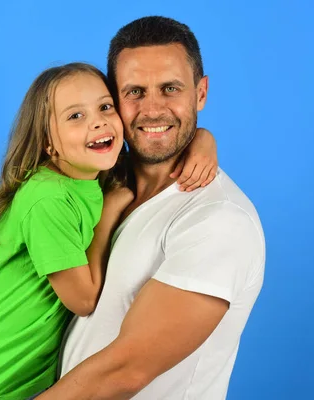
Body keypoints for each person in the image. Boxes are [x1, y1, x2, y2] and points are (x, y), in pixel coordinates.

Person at [0, 62, 218, 399]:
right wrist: (108, 217)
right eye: (75, 116)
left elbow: (156, 144)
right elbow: (83, 300)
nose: (98, 121)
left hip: (27, 374)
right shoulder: (48, 200)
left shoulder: (90, 174)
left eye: (105, 107)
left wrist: (203, 139)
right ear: (48, 143)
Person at [37, 16, 266, 400]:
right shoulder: (101, 188)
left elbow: (128, 369)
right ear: (111, 102)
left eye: (171, 88)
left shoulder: (218, 220)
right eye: (135, 92)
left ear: (201, 93)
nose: (153, 109)